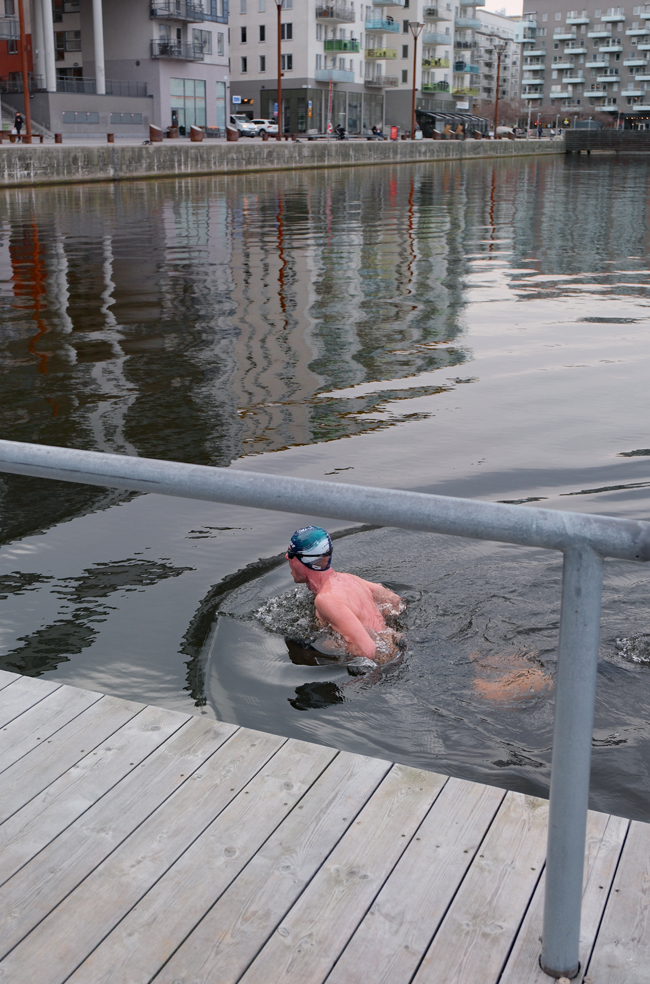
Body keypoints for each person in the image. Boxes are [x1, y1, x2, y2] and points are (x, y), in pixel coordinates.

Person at [286, 526, 404, 667]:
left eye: (290, 553)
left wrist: (327, 645)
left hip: (384, 664)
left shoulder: (326, 599)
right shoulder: (349, 579)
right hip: (396, 646)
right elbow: (395, 601)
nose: (286, 557)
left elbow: (367, 651)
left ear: (303, 560)